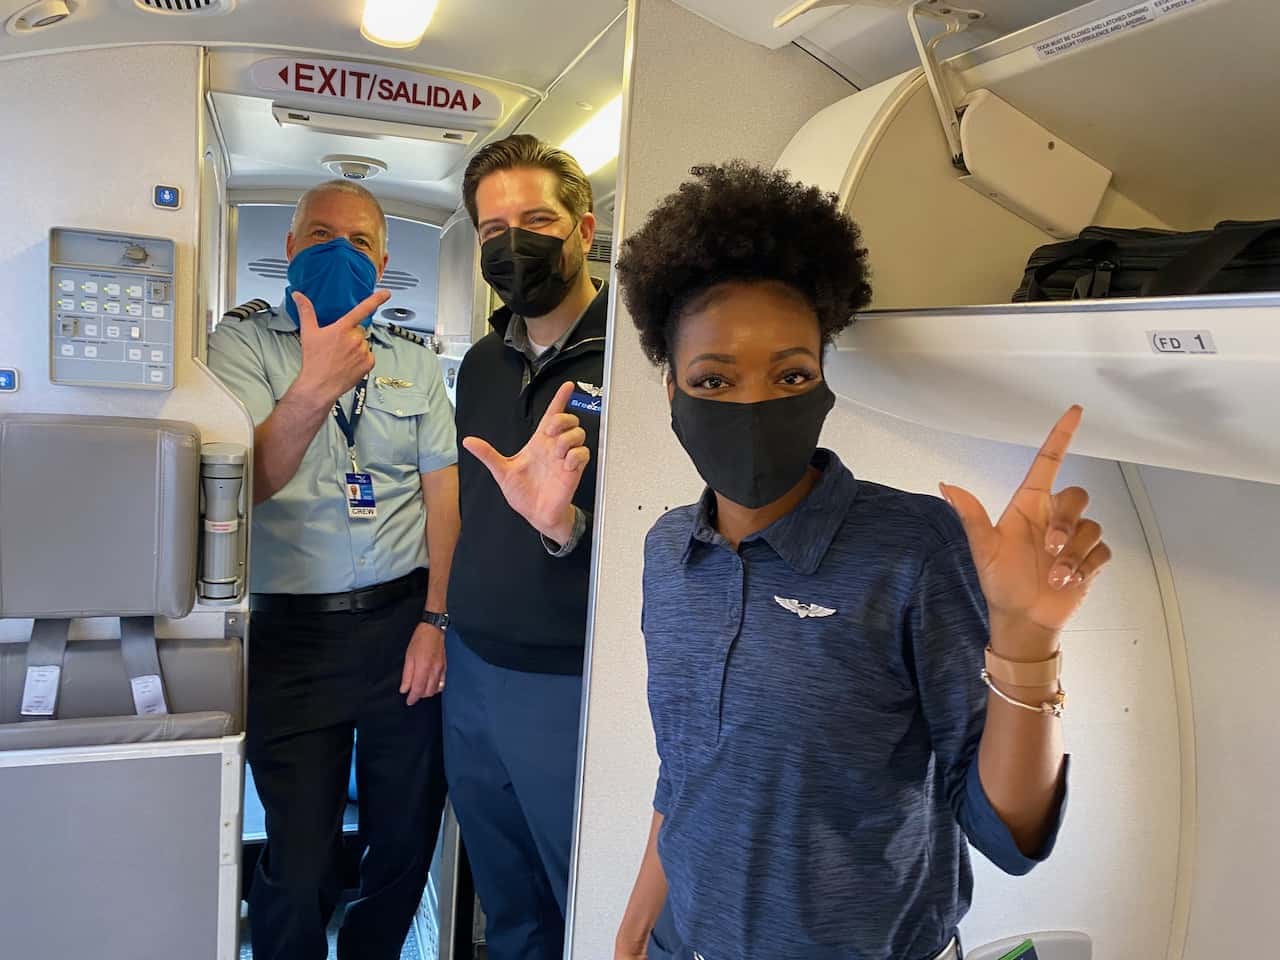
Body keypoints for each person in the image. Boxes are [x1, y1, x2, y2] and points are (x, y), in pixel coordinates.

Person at [607, 162, 1112, 960]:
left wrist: (1026, 640)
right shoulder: (669, 552)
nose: (753, 405)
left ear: (823, 381)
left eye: (790, 374)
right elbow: (687, 772)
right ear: (673, 390)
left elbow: (1007, 833)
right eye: (714, 379)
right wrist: (634, 932)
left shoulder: (914, 549)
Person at [208, 179, 458, 960]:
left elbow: (442, 499)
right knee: (299, 854)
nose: (339, 252)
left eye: (359, 242)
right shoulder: (241, 346)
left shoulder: (413, 361)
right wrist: (314, 386)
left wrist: (436, 620)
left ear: (382, 262)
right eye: (320, 236)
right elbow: (247, 481)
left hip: (403, 628)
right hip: (292, 636)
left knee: (405, 837)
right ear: (289, 249)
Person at [442, 134, 606, 959]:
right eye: (493, 229)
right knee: (506, 903)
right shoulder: (480, 364)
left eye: (537, 221)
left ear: (584, 228)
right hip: (472, 671)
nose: (513, 243)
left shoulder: (644, 355)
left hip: (571, 680)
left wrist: (565, 526)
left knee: (583, 900)